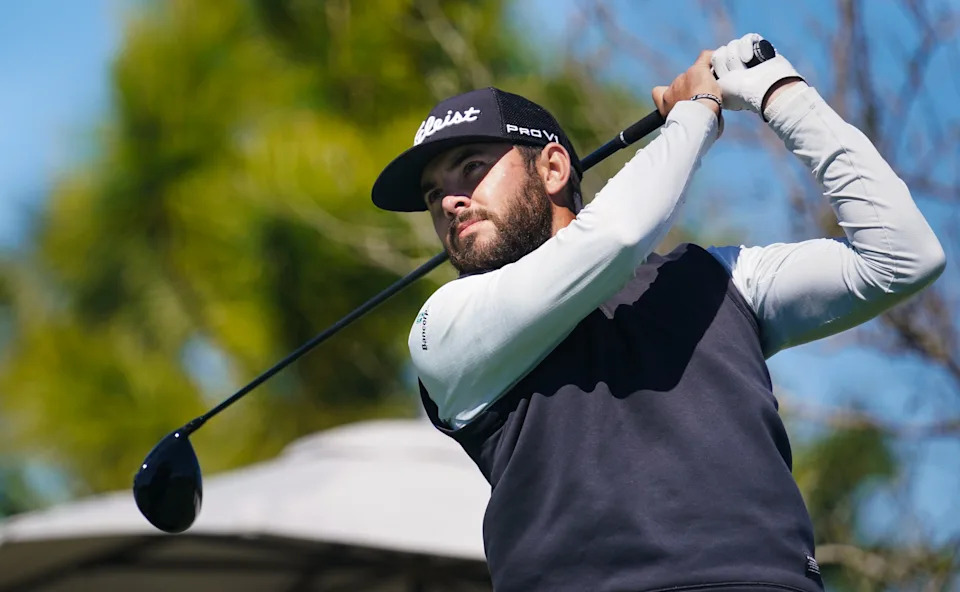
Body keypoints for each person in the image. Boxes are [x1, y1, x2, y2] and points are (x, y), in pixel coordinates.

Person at [371, 34, 945, 592]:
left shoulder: (719, 280)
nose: (449, 201)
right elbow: (617, 236)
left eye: (471, 167)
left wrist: (777, 89)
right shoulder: (443, 332)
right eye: (432, 194)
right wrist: (698, 112)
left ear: (552, 169)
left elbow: (902, 257)